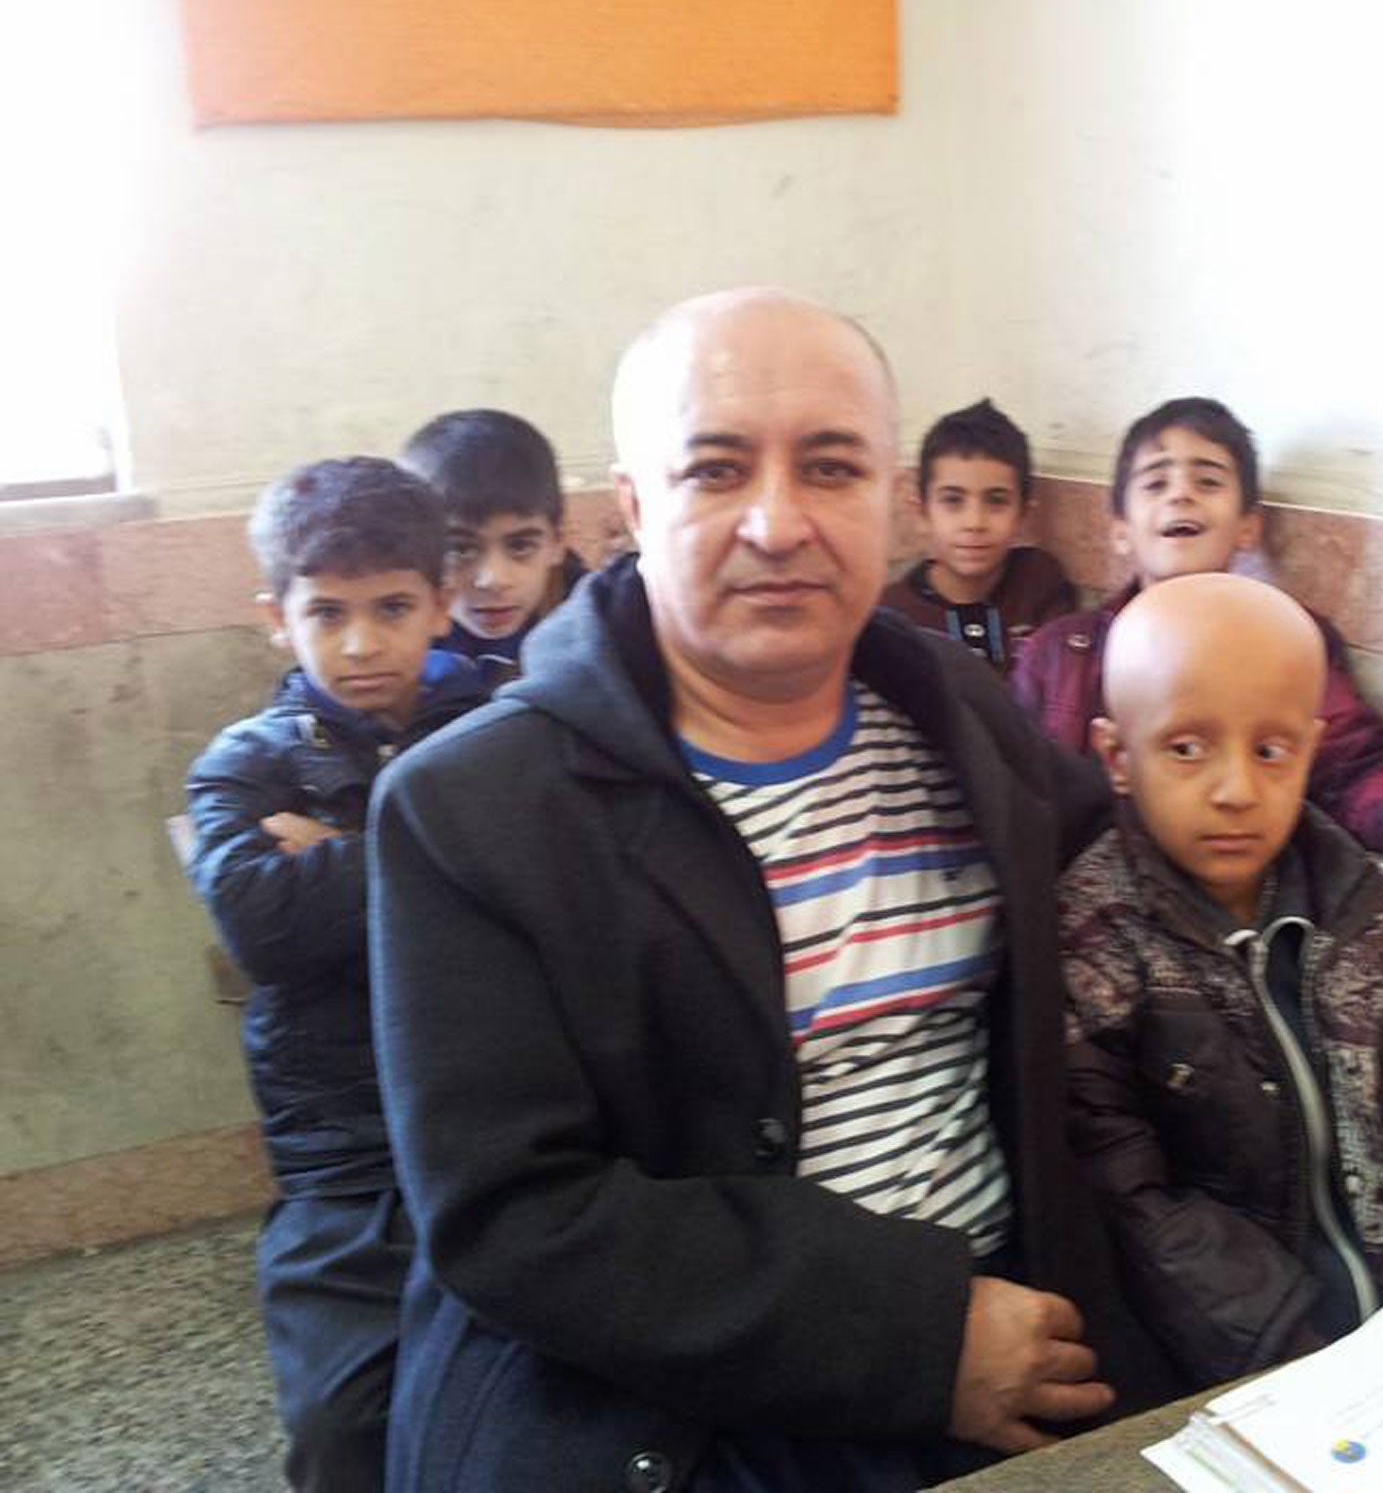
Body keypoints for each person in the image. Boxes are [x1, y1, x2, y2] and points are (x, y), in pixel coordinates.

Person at [369, 289, 1170, 1492]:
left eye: (831, 467)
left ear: (889, 498)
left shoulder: (961, 724)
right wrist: (916, 1335)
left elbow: (1146, 884)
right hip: (686, 1415)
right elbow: (514, 1215)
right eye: (715, 470)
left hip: (1023, 1347)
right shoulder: (472, 810)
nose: (778, 522)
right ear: (634, 508)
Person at [1061, 573, 1383, 1392]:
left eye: (1270, 750)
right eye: (1187, 747)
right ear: (1117, 756)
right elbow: (1131, 1207)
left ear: (1310, 746)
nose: (1235, 789)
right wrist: (1312, 1359)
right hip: (1237, 1373)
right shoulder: (1091, 949)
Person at [184, 457, 488, 1490]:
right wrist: (449, 848)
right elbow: (267, 927)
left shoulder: (506, 728)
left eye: (393, 607)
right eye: (327, 612)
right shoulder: (241, 765)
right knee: (342, 1426)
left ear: (442, 606)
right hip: (344, 1150)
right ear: (276, 616)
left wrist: (342, 848)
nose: (361, 645)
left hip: (504, 1114)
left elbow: (556, 887)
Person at [1011, 396, 1383, 868]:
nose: (1181, 495)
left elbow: (1348, 757)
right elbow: (1020, 792)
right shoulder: (1059, 653)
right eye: (1156, 483)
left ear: (1247, 527)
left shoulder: (1287, 638)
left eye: (1208, 481)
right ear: (1120, 528)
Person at [879, 398, 1076, 672]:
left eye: (996, 501)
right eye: (953, 500)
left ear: (1023, 514)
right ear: (922, 512)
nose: (974, 522)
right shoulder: (894, 615)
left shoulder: (1039, 581)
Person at [399, 407, 587, 685]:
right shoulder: (392, 627)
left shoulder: (596, 624)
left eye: (521, 546)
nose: (493, 580)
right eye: (459, 550)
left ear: (558, 540)